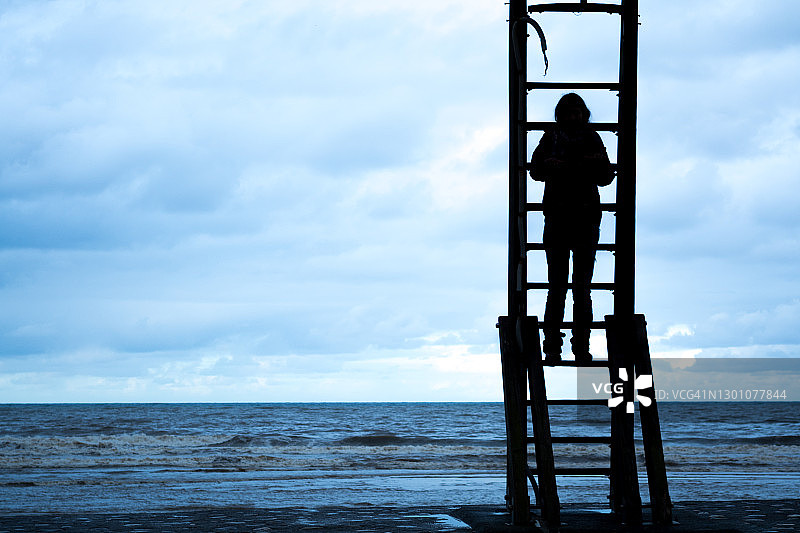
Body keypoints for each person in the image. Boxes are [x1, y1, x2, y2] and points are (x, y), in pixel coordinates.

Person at [529, 93, 613, 362]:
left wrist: (558, 166)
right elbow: (536, 170)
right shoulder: (570, 137)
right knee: (568, 287)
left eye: (576, 112)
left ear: (583, 114)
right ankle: (562, 347)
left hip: (575, 217)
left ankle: (570, 347)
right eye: (569, 112)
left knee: (572, 287)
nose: (573, 117)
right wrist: (585, 164)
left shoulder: (575, 136)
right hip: (569, 217)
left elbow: (605, 176)